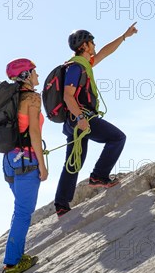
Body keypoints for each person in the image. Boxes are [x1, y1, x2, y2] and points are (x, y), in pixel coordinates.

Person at [54, 23, 138, 217]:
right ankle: (99, 176)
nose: (94, 45)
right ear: (84, 45)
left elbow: (105, 53)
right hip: (81, 118)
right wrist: (81, 117)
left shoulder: (84, 64)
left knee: (73, 162)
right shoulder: (75, 67)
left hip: (74, 120)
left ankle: (61, 204)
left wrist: (124, 36)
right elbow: (68, 95)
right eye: (91, 42)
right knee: (117, 138)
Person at [2, 58, 48, 273]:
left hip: (9, 160)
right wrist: (42, 164)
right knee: (23, 213)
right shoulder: (32, 97)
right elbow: (34, 134)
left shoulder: (10, 99)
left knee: (19, 210)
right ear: (26, 75)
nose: (37, 75)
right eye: (34, 72)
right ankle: (12, 263)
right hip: (26, 160)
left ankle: (16, 256)